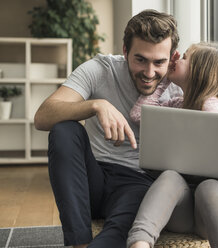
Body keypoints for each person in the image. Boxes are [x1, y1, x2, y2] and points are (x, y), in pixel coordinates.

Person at [33, 9, 180, 248]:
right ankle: (79, 242)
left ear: (172, 57)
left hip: (138, 183)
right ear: (125, 50)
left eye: (159, 62)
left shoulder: (179, 87)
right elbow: (42, 116)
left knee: (121, 233)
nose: (149, 73)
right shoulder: (100, 69)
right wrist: (94, 105)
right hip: (91, 180)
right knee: (64, 131)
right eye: (140, 59)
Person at [126, 43, 218, 248]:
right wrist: (162, 82)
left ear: (199, 72)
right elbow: (138, 115)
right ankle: (140, 242)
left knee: (209, 187)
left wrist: (204, 102)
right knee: (170, 176)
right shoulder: (177, 104)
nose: (176, 60)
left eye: (185, 57)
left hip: (212, 210)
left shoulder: (212, 106)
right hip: (183, 210)